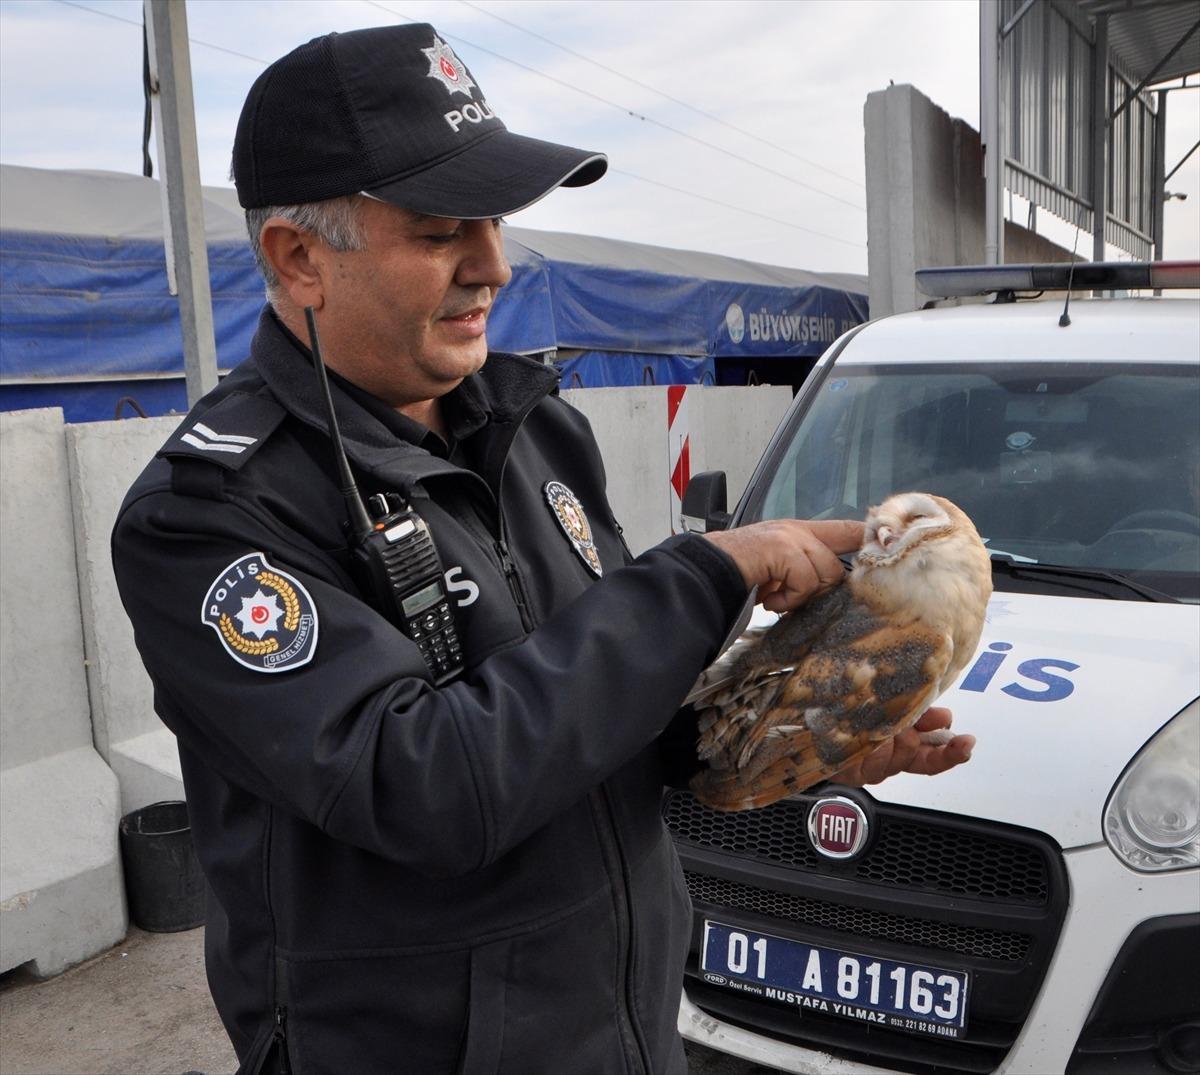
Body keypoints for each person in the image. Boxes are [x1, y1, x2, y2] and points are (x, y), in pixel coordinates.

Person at [112, 23, 973, 1075]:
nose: (494, 266)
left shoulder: (536, 430)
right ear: (301, 260)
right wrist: (711, 571)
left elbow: (588, 721)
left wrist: (794, 738)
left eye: (494, 222)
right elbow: (429, 788)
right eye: (441, 232)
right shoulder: (209, 517)